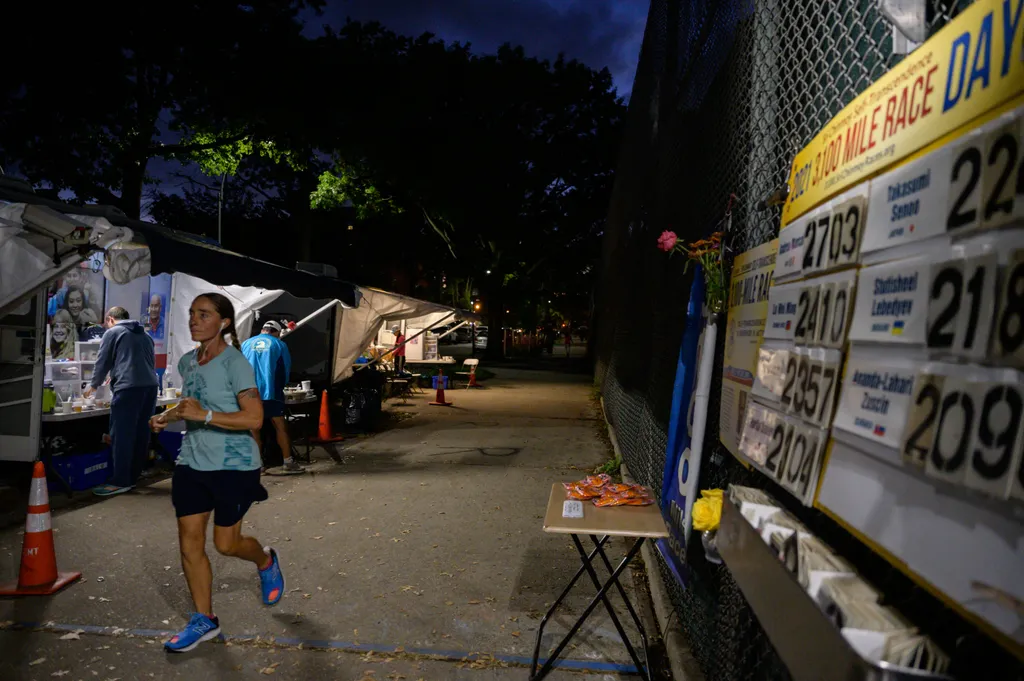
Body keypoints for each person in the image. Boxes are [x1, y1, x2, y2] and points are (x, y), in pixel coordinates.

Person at [150, 292, 283, 653]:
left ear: (223, 322)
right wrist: (168, 416)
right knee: (189, 542)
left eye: (203, 315)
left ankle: (265, 559)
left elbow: (255, 418)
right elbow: (192, 404)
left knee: (226, 545)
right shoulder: (188, 361)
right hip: (192, 463)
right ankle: (204, 619)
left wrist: (204, 416)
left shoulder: (235, 363)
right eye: (192, 314)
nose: (194, 320)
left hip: (234, 466)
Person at [84, 307, 158, 497]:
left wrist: (93, 385)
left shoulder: (113, 332)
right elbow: (147, 362)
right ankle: (133, 476)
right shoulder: (146, 335)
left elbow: (103, 361)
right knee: (141, 432)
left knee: (122, 435)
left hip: (128, 389)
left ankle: (121, 480)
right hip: (150, 387)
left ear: (110, 319)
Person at [241, 320, 302, 475]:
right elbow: (285, 369)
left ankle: (258, 465)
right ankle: (288, 462)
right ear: (276, 332)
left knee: (254, 428)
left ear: (263, 330)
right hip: (270, 391)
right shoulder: (279, 344)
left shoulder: (246, 344)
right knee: (279, 426)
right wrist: (283, 386)